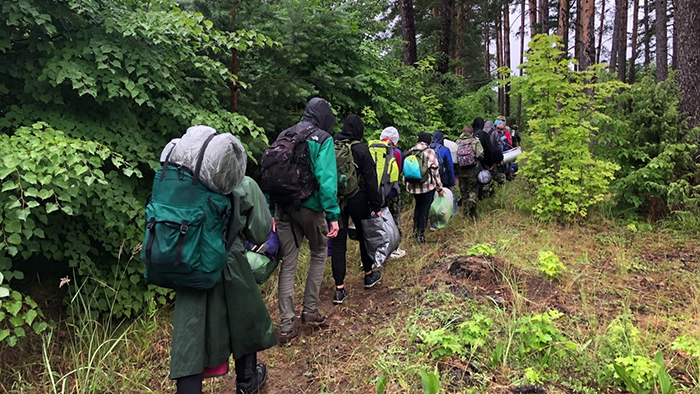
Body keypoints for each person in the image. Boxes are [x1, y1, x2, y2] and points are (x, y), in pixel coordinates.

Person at [171, 175, 276, 394]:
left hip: (188, 262)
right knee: (244, 317)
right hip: (229, 260)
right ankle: (247, 381)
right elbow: (259, 232)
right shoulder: (242, 183)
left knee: (190, 332)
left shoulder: (178, 183)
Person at [275, 97, 340, 344]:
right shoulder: (322, 138)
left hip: (283, 208)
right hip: (310, 207)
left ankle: (286, 326)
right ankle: (310, 312)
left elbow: (274, 174)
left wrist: (274, 210)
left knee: (288, 262)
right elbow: (326, 180)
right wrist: (332, 215)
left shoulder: (285, 134)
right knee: (319, 251)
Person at [331, 115, 383, 304]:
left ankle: (339, 289)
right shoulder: (361, 149)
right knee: (365, 236)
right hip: (358, 198)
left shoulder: (332, 146)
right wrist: (376, 206)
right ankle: (369, 274)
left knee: (338, 243)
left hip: (336, 200)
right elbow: (371, 180)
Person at [405, 132, 444, 244]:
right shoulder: (429, 152)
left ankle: (415, 230)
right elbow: (435, 172)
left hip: (413, 186)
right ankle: (420, 234)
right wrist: (439, 188)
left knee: (418, 207)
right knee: (424, 209)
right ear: (428, 141)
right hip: (427, 187)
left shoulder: (411, 151)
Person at [379, 126, 406, 259]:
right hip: (392, 192)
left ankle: (380, 248)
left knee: (379, 221)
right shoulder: (397, 152)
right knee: (394, 219)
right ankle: (394, 249)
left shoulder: (374, 149)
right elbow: (399, 170)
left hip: (377, 193)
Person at [455, 126, 484, 219]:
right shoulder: (475, 142)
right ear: (472, 133)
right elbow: (480, 155)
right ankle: (472, 206)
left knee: (463, 191)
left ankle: (465, 212)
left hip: (461, 171)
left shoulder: (457, 142)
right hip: (473, 170)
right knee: (473, 189)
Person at [429, 130, 455, 230]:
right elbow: (450, 167)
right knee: (444, 200)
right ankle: (443, 220)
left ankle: (432, 223)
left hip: (430, 179)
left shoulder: (428, 148)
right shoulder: (445, 150)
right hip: (443, 178)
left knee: (432, 200)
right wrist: (452, 182)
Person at [472, 117, 494, 200]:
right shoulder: (483, 134)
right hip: (482, 162)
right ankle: (481, 196)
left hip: (470, 161)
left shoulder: (471, 134)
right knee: (482, 179)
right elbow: (489, 150)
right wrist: (490, 164)